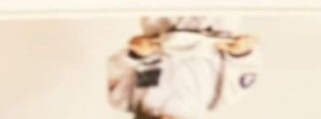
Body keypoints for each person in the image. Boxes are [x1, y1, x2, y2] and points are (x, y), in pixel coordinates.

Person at [107, 16, 259, 119]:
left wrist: (136, 53)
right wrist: (242, 51)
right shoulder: (218, 100)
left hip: (161, 22)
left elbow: (119, 66)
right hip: (215, 24)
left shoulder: (126, 101)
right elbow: (243, 66)